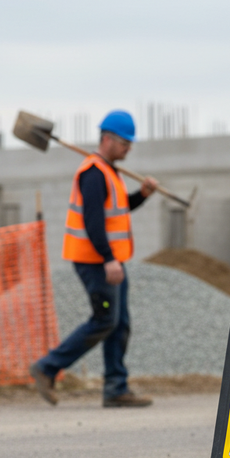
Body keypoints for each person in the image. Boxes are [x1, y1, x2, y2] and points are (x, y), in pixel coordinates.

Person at [30, 110, 158, 407]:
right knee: (105, 320)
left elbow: (119, 209)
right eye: (125, 142)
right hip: (96, 262)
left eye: (130, 143)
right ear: (107, 139)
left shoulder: (109, 172)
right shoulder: (93, 173)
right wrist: (108, 259)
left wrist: (143, 194)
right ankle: (47, 367)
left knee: (119, 322)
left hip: (110, 260)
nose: (129, 147)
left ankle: (116, 388)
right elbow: (93, 220)